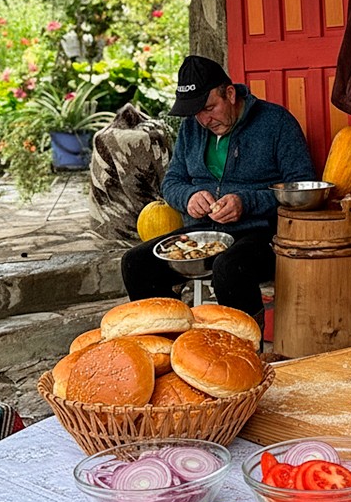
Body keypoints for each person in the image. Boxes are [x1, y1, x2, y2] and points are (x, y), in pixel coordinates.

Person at [121, 55, 316, 329]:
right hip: (203, 234)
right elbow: (172, 182)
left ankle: (246, 352)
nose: (204, 119)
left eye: (210, 107)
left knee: (228, 267)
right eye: (196, 112)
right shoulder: (192, 127)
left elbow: (301, 186)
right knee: (136, 263)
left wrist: (245, 202)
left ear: (230, 94)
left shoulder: (276, 123)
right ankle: (169, 348)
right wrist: (189, 198)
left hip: (263, 233)